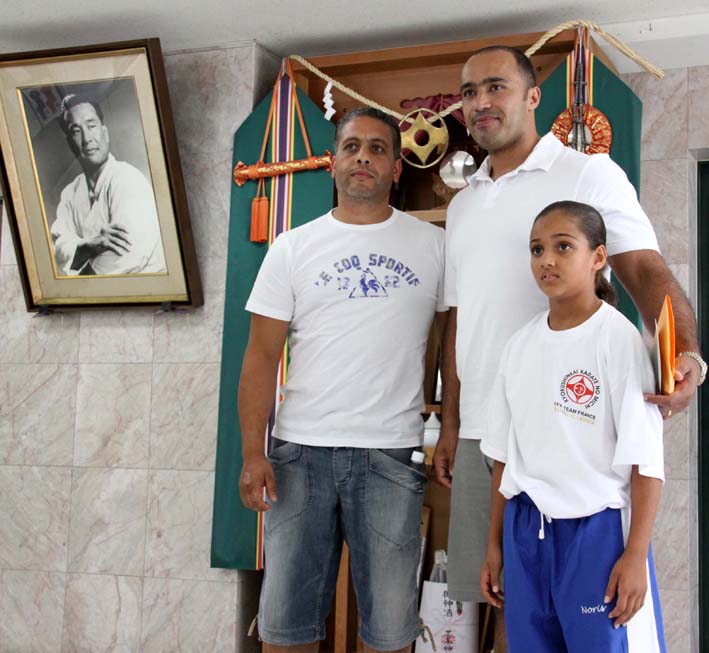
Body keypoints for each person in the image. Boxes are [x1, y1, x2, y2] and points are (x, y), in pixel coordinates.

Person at [433, 45, 704, 649]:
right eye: (469, 92)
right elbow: (461, 316)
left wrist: (685, 352)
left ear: (534, 97)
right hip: (486, 433)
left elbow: (646, 271)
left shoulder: (588, 174)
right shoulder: (464, 203)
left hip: (571, 433)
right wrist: (451, 422)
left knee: (595, 622)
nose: (480, 102)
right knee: (508, 605)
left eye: (496, 87)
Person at [238, 107, 447, 653]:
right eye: (352, 146)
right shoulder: (292, 247)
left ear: (396, 168)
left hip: (391, 455)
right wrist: (253, 453)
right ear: (333, 163)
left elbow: (455, 344)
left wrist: (451, 427)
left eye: (378, 148)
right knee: (285, 627)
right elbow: (260, 356)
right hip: (298, 454)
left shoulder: (434, 246)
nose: (363, 157)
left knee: (390, 632)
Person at [480, 200, 665, 651]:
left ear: (598, 257)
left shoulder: (617, 339)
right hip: (527, 533)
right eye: (537, 249)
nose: (547, 260)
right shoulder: (519, 346)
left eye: (563, 246)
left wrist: (635, 554)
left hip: (598, 536)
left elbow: (645, 462)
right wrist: (495, 545)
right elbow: (504, 458)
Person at [50, 93, 166, 276]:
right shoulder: (70, 192)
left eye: (91, 126)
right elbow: (58, 248)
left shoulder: (128, 179)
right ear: (70, 143)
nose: (87, 139)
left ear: (105, 132)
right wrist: (90, 245)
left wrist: (77, 280)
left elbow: (125, 256)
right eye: (76, 131)